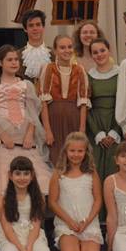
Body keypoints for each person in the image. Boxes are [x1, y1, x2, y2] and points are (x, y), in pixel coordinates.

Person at [0, 45, 52, 195]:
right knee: (2, 176)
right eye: (9, 60)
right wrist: (2, 134)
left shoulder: (26, 85)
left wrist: (29, 134)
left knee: (31, 170)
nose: (14, 63)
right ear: (0, 63)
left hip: (23, 132)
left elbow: (33, 111)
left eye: (16, 59)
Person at [48, 132, 103, 251]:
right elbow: (52, 202)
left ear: (86, 152)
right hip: (67, 224)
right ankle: (71, 241)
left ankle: (84, 243)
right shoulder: (58, 173)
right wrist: (70, 222)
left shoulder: (91, 173)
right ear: (66, 151)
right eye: (72, 151)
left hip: (88, 223)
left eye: (80, 151)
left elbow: (98, 200)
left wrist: (87, 222)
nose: (76, 154)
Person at [0, 156, 56, 251]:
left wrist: (29, 247)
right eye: (18, 174)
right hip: (12, 236)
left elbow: (36, 225)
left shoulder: (39, 197)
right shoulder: (2, 198)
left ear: (32, 175)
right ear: (10, 175)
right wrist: (21, 248)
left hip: (32, 235)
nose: (22, 178)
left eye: (26, 174)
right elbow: (6, 227)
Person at [39, 34, 90, 164]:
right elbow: (43, 102)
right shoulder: (48, 69)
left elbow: (83, 102)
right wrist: (47, 130)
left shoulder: (79, 70)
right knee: (55, 157)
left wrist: (82, 130)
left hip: (73, 118)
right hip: (53, 119)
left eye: (69, 47)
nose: (67, 50)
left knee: (73, 156)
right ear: (55, 50)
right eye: (62, 47)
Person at [86, 38, 121, 179]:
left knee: (116, 167)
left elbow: (125, 104)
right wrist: (97, 133)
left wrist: (115, 131)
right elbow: (86, 107)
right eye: (95, 52)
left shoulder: (120, 73)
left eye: (102, 50)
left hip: (116, 122)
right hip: (96, 125)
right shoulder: (88, 76)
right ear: (91, 55)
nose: (99, 54)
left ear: (109, 50)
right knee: (95, 169)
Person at [19, 9, 51, 83]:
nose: (35, 28)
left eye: (38, 24)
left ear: (43, 27)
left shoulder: (54, 54)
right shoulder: (18, 55)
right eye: (31, 25)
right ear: (25, 29)